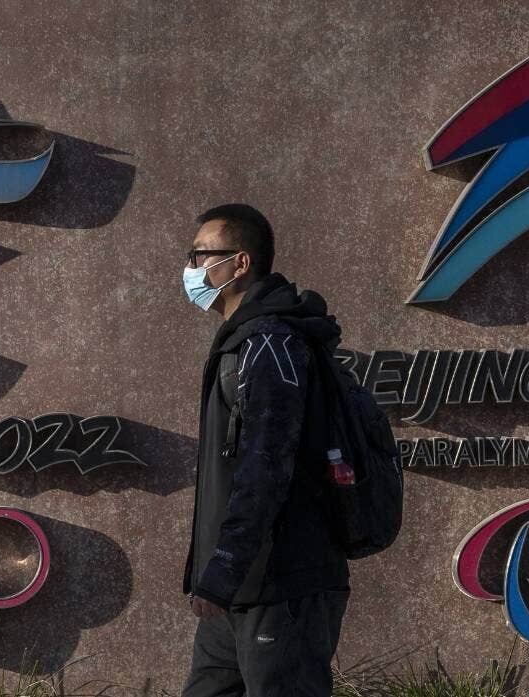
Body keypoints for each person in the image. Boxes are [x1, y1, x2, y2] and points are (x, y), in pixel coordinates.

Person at [180, 203, 351, 697]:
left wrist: (223, 570)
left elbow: (266, 466)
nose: (190, 269)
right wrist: (217, 576)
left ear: (239, 263)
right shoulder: (242, 341)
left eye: (200, 255)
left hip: (280, 584)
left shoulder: (271, 344)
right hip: (236, 587)